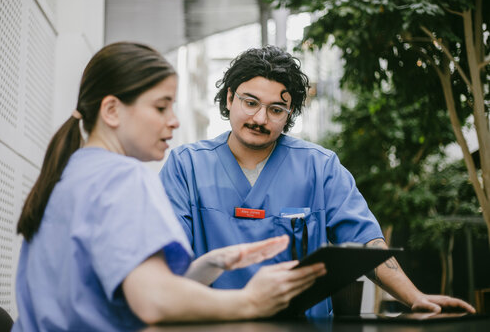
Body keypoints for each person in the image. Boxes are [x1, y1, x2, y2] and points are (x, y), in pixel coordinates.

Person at [12, 42, 328, 332]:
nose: (174, 121)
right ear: (111, 111)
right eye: (161, 108)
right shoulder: (123, 178)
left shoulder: (69, 173)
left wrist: (212, 263)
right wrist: (252, 301)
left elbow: (135, 284)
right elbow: (153, 300)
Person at [159, 45, 476, 318]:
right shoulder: (185, 166)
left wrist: (414, 297)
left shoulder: (320, 168)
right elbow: (168, 259)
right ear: (230, 98)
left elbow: (367, 243)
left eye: (276, 109)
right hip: (213, 323)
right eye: (250, 102)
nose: (260, 119)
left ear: (290, 112)